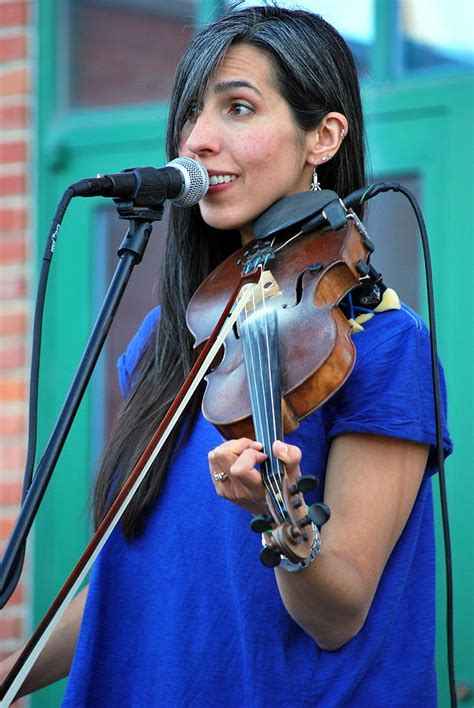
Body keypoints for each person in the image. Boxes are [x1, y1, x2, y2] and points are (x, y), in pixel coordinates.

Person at [1, 4, 452, 707]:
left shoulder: (382, 344)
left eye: (238, 108)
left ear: (323, 137)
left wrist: (278, 518)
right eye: (191, 115)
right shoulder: (165, 339)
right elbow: (135, 594)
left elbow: (339, 612)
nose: (198, 141)